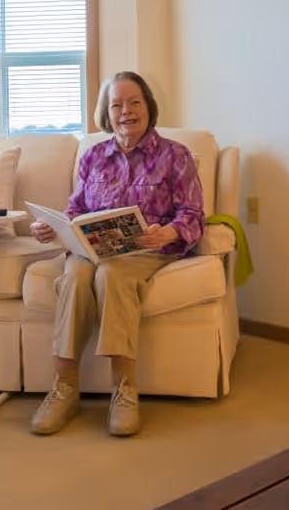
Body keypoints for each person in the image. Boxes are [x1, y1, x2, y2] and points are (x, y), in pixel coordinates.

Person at [29, 71, 205, 436]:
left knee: (113, 275)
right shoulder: (93, 156)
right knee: (76, 276)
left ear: (148, 107)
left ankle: (124, 389)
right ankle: (64, 388)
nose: (126, 111)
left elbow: (193, 215)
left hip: (146, 250)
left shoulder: (176, 155)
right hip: (93, 250)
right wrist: (55, 228)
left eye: (134, 102)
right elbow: (76, 210)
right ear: (106, 114)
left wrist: (168, 232)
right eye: (117, 105)